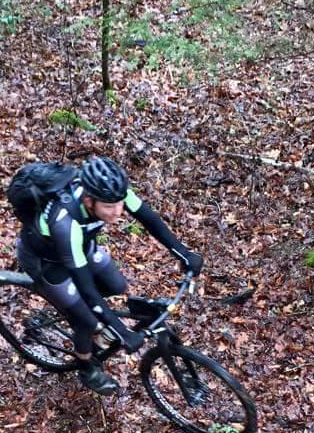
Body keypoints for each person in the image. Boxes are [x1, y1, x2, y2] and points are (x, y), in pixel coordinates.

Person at [12, 156, 203, 395]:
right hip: (48, 262)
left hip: (83, 247)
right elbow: (86, 287)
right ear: (89, 201)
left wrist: (184, 254)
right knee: (86, 320)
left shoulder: (112, 194)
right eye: (109, 207)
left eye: (120, 204)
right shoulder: (66, 223)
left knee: (116, 285)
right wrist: (122, 333)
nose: (118, 212)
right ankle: (85, 366)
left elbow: (150, 219)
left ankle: (73, 310)